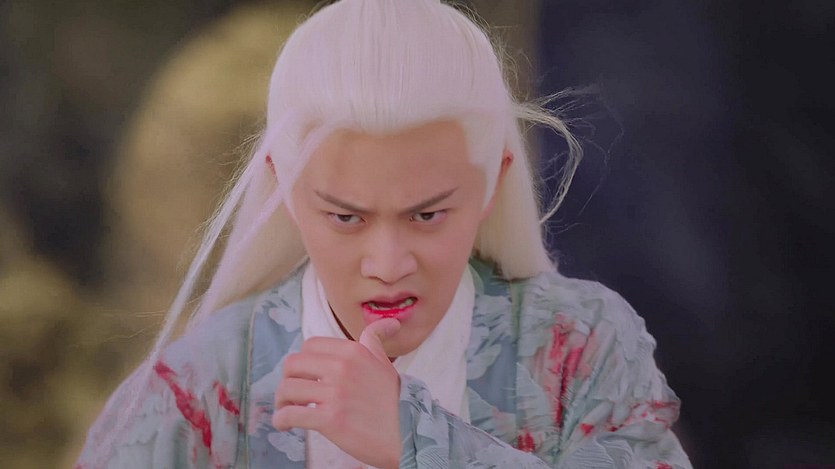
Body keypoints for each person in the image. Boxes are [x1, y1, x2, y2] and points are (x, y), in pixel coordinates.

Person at [76, 0, 692, 467]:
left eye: (427, 215)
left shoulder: (583, 347)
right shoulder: (197, 389)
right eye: (346, 218)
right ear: (285, 189)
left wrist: (418, 441)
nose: (388, 264)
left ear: (493, 181)